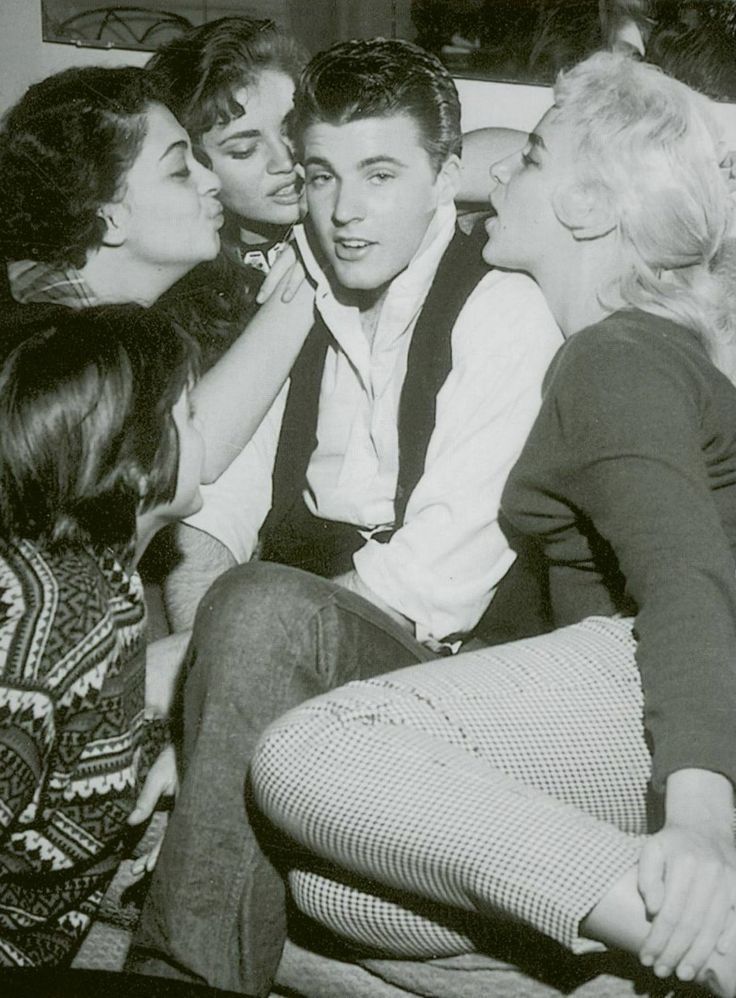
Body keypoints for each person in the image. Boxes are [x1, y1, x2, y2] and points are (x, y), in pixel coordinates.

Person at [252, 51, 736, 998]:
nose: (500, 174)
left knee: (310, 754)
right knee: (338, 891)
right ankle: (656, 954)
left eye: (536, 157)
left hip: (686, 685)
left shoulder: (617, 358)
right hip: (636, 686)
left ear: (590, 207)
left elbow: (688, 581)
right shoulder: (613, 348)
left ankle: (718, 939)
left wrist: (703, 814)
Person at [128, 36, 561, 995]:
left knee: (260, 610)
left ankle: (178, 975)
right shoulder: (306, 296)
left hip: (451, 670)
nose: (346, 211)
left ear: (447, 176)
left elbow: (431, 588)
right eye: (320, 175)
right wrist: (214, 668)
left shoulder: (503, 314)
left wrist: (217, 663)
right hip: (300, 626)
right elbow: (211, 516)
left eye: (380, 173)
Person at [0, 303, 201, 966]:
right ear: (141, 465)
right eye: (191, 414)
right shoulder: (52, 617)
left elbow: (81, 742)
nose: (204, 429)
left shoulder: (105, 584)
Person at [0, 64, 314, 484]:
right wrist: (313, 275)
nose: (211, 182)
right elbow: (180, 459)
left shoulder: (72, 312)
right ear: (110, 216)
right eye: (181, 171)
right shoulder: (47, 351)